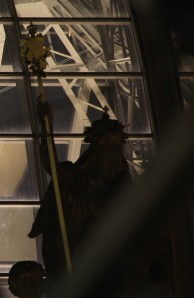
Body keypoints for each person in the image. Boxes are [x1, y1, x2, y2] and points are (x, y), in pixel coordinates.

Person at [28, 100, 132, 279]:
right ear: (97, 153)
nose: (116, 155)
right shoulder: (75, 181)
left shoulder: (125, 192)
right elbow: (51, 165)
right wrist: (47, 126)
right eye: (111, 149)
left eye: (118, 149)